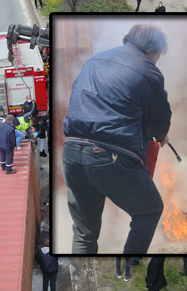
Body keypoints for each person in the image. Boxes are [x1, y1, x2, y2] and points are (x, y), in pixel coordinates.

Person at [62, 24, 171, 254]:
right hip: (108, 155)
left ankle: (82, 280)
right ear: (151, 51)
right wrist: (161, 136)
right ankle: (129, 273)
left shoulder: (95, 60)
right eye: (158, 56)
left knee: (84, 232)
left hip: (71, 151)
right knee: (150, 210)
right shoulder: (147, 69)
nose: (156, 62)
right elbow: (159, 120)